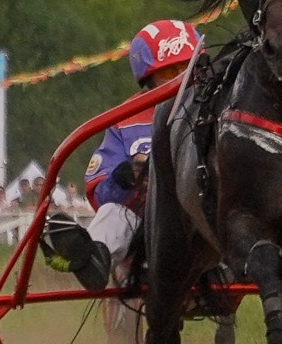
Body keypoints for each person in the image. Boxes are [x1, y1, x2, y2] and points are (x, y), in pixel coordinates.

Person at [43, 18, 200, 290]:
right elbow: (100, 192)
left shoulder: (220, 109)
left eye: (186, 69)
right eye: (169, 72)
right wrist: (122, 176)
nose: (180, 79)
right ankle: (94, 258)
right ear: (148, 79)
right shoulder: (126, 120)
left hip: (205, 217)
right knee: (114, 213)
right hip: (148, 226)